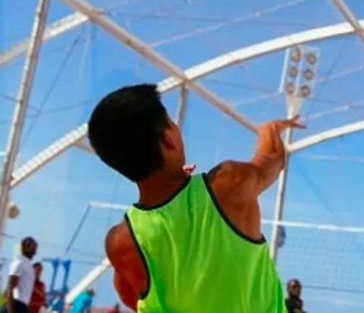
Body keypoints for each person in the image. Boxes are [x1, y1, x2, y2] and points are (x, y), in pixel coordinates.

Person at [89, 84, 303, 312]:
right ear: (168, 140)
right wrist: (269, 130)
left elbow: (132, 296)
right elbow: (272, 158)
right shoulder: (229, 183)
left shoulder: (120, 242)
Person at [1, 237, 38, 313]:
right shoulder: (19, 263)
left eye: (35, 245)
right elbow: (10, 289)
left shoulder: (28, 265)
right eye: (30, 244)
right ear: (24, 247)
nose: (34, 247)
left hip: (22, 306)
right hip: (14, 305)